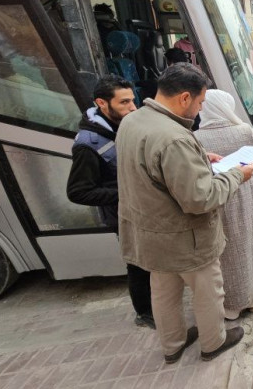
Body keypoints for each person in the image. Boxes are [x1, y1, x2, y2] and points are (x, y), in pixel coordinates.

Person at [116, 63, 253, 364]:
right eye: (201, 102)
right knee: (208, 294)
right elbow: (200, 198)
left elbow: (151, 162)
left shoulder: (134, 120)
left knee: (164, 293)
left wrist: (200, 157)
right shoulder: (174, 137)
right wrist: (236, 176)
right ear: (184, 97)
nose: (201, 109)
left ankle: (173, 345)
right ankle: (213, 342)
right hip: (185, 238)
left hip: (150, 234)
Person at [66, 76, 152, 329]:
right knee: (138, 265)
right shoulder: (87, 145)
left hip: (144, 208)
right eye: (124, 102)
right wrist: (126, 193)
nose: (132, 107)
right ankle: (145, 313)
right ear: (102, 104)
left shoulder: (121, 124)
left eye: (133, 100)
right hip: (123, 214)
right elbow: (78, 192)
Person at [194, 90, 253, 321]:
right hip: (243, 194)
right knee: (248, 243)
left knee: (224, 251)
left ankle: (230, 306)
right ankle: (251, 299)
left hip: (215, 197)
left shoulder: (195, 137)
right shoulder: (242, 130)